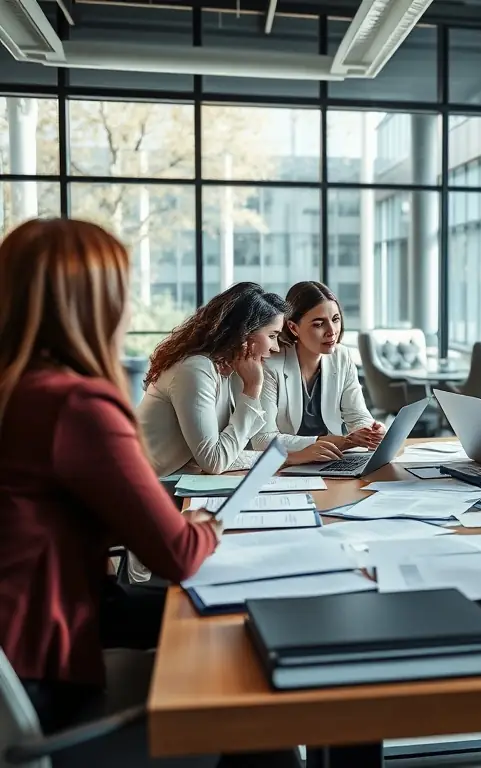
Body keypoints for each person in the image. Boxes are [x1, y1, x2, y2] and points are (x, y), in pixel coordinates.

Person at [0, 218, 223, 763]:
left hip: (24, 649)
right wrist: (208, 527)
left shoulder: (16, 392)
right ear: (95, 304)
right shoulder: (74, 405)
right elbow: (177, 554)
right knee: (250, 700)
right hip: (46, 675)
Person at [137, 282, 287, 478]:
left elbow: (228, 453)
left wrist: (284, 459)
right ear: (244, 332)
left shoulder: (226, 370)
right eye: (272, 335)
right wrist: (253, 388)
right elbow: (214, 462)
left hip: (176, 481)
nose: (275, 347)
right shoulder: (195, 369)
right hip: (148, 485)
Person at [251, 281, 385, 463]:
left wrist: (370, 431)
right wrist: (331, 442)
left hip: (332, 462)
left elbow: (357, 415)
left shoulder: (342, 356)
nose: (332, 331)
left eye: (335, 319)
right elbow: (262, 440)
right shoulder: (270, 365)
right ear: (293, 327)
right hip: (286, 467)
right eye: (318, 324)